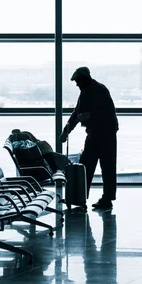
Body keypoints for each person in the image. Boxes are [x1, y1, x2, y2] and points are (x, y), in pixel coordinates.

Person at [60, 66, 118, 209]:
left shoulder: (95, 91)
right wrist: (66, 130)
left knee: (90, 165)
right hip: (101, 133)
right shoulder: (92, 90)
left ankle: (80, 197)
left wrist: (89, 116)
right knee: (104, 166)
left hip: (103, 133)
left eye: (77, 81)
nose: (76, 84)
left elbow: (104, 113)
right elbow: (77, 113)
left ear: (83, 79)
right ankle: (101, 198)